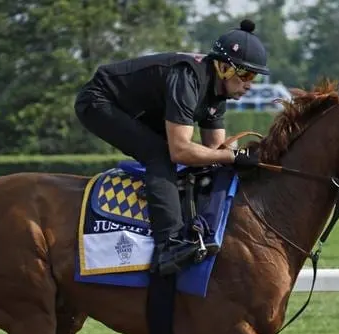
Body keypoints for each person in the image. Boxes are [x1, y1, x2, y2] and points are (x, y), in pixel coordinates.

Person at [74, 19, 267, 276]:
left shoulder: (218, 94)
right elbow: (181, 151)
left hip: (137, 109)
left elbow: (216, 148)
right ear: (223, 68)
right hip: (99, 101)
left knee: (200, 158)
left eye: (253, 76)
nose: (249, 84)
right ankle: (169, 244)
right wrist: (232, 156)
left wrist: (247, 154)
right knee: (161, 154)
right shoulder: (188, 78)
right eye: (245, 74)